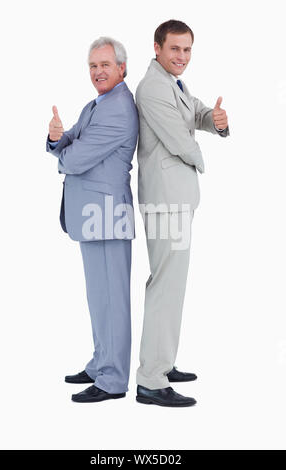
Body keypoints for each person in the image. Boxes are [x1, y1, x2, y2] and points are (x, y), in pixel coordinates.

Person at [135, 20, 229, 407]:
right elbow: (178, 138)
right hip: (166, 201)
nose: (182, 57)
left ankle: (163, 362)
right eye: (175, 49)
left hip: (177, 199)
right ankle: (151, 380)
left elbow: (196, 113)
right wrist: (202, 158)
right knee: (164, 285)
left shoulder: (174, 83)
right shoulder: (153, 87)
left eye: (188, 50)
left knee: (173, 286)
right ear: (157, 48)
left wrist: (215, 122)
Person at [46, 37, 139, 403]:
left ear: (121, 68)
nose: (98, 71)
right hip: (94, 214)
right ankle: (102, 361)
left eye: (105, 64)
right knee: (99, 297)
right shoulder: (97, 103)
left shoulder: (118, 107)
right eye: (92, 66)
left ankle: (113, 379)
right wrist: (56, 138)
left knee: (112, 299)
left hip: (107, 214)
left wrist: (62, 153)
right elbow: (69, 140)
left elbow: (76, 158)